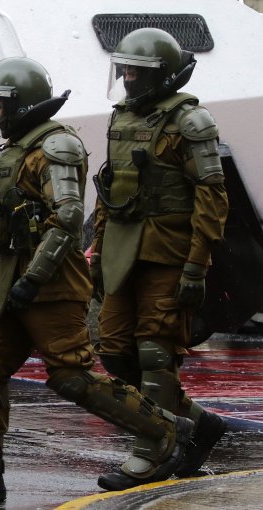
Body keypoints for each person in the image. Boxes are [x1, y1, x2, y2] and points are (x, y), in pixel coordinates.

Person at [0, 57, 194, 501]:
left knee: (71, 376)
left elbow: (69, 216)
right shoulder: (19, 146)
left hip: (50, 282)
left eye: (0, 105)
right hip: (12, 275)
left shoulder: (56, 147)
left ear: (23, 104)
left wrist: (34, 279)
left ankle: (168, 430)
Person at [90, 28, 229, 490]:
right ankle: (194, 423)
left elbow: (212, 196)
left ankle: (152, 451)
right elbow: (110, 191)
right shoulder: (122, 119)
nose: (128, 78)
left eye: (138, 71)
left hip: (169, 255)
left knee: (155, 353)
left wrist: (197, 265)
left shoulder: (191, 122)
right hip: (122, 254)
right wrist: (98, 250)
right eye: (124, 69)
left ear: (162, 75)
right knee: (114, 352)